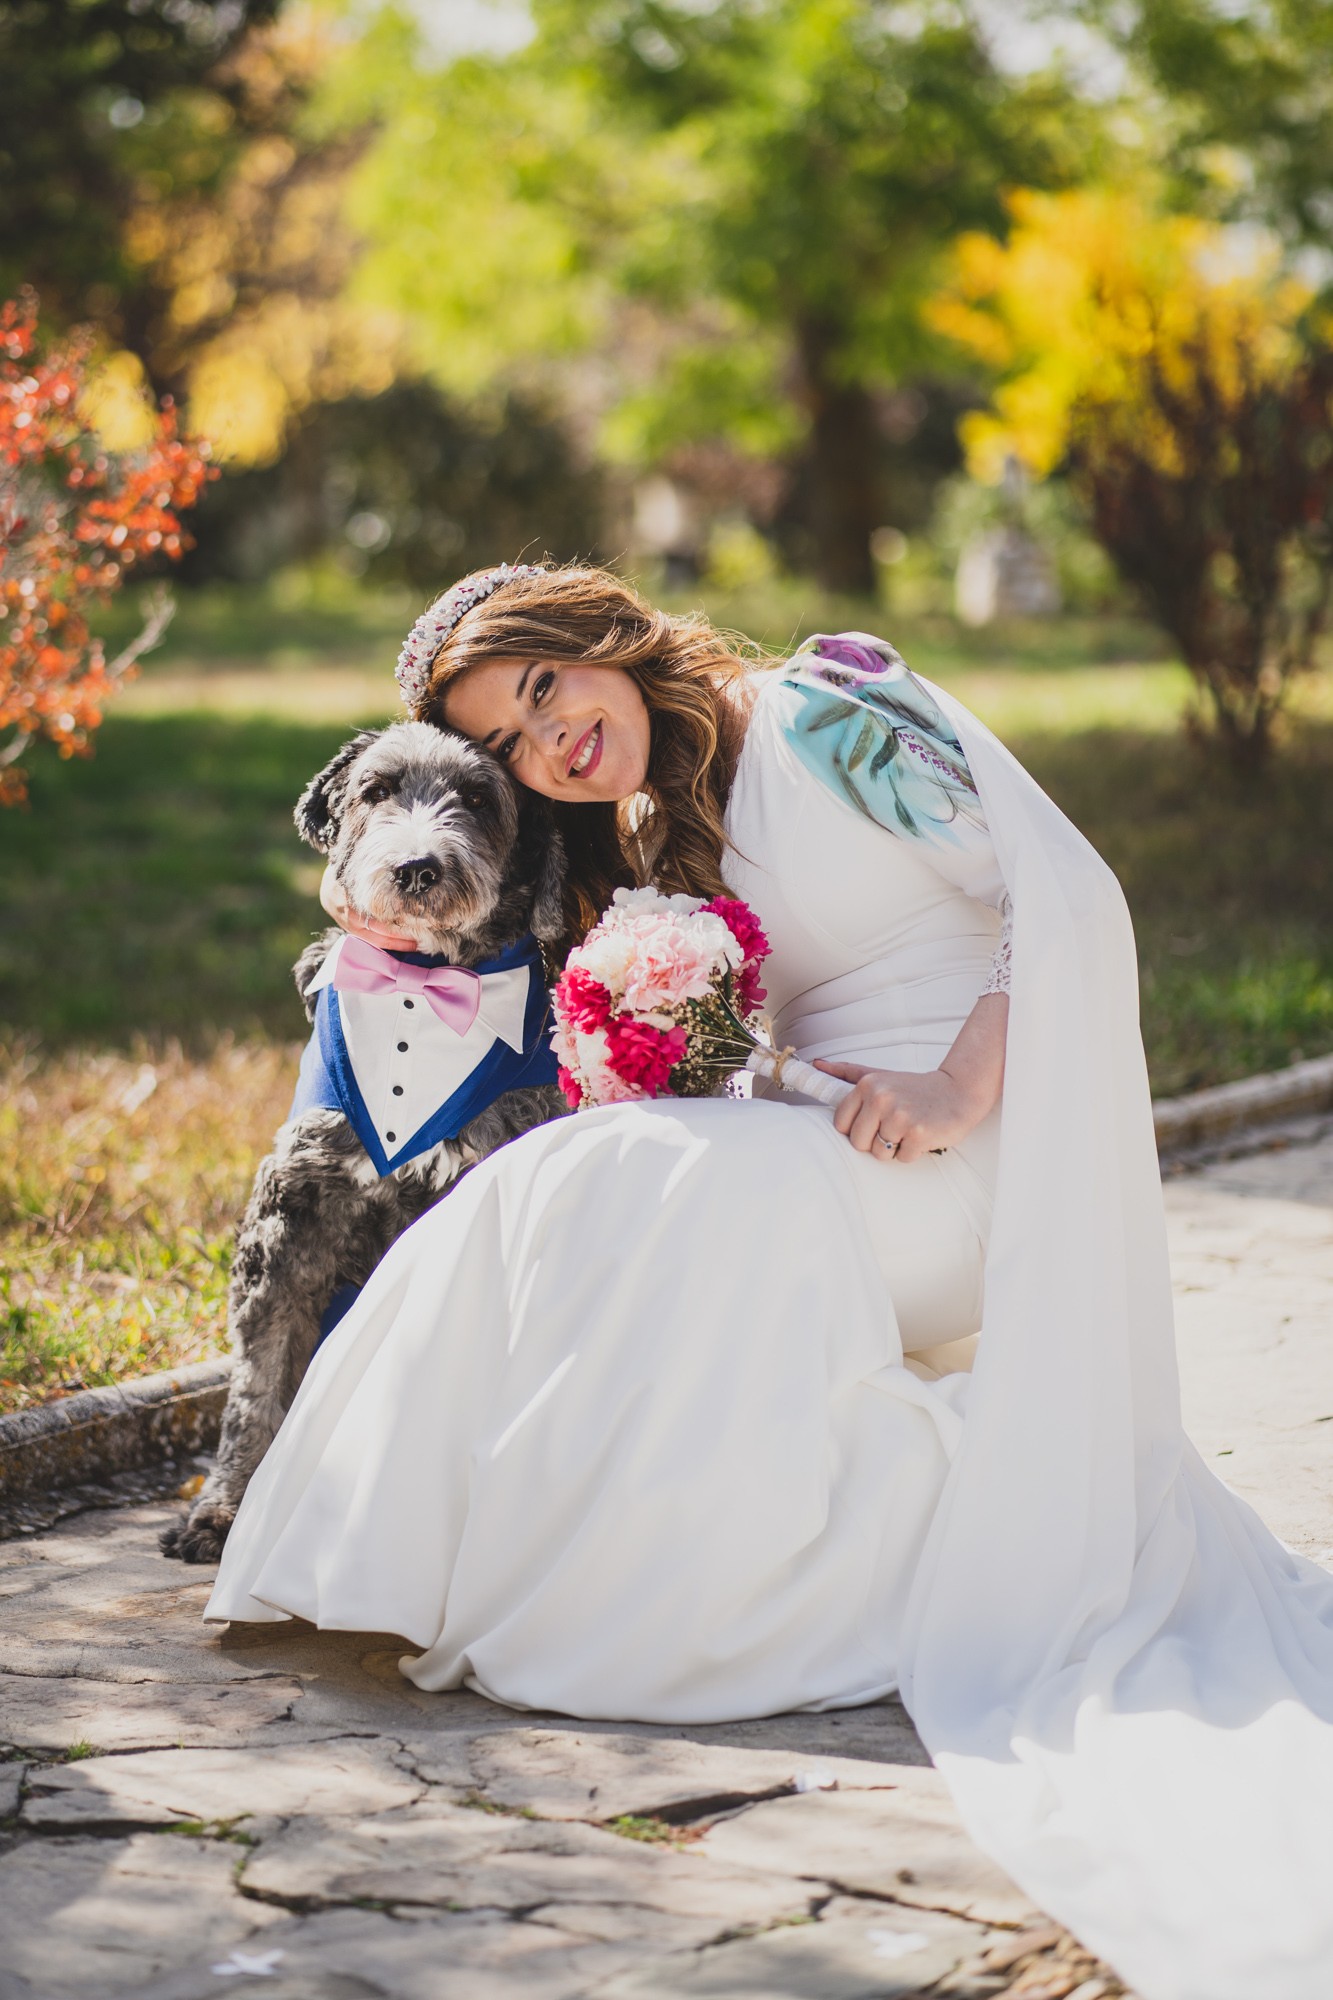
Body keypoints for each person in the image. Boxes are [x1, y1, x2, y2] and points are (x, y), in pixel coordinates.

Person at [208, 563, 1333, 2000]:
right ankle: (423, 1552)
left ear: (598, 639)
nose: (543, 743)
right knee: (561, 1173)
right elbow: (752, 1030)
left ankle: (700, 1590)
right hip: (827, 1132)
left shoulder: (826, 713)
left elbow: (1062, 903)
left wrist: (952, 1085)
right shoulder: (645, 819)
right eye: (503, 742)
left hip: (974, 1150)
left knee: (645, 1178)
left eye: (544, 688)